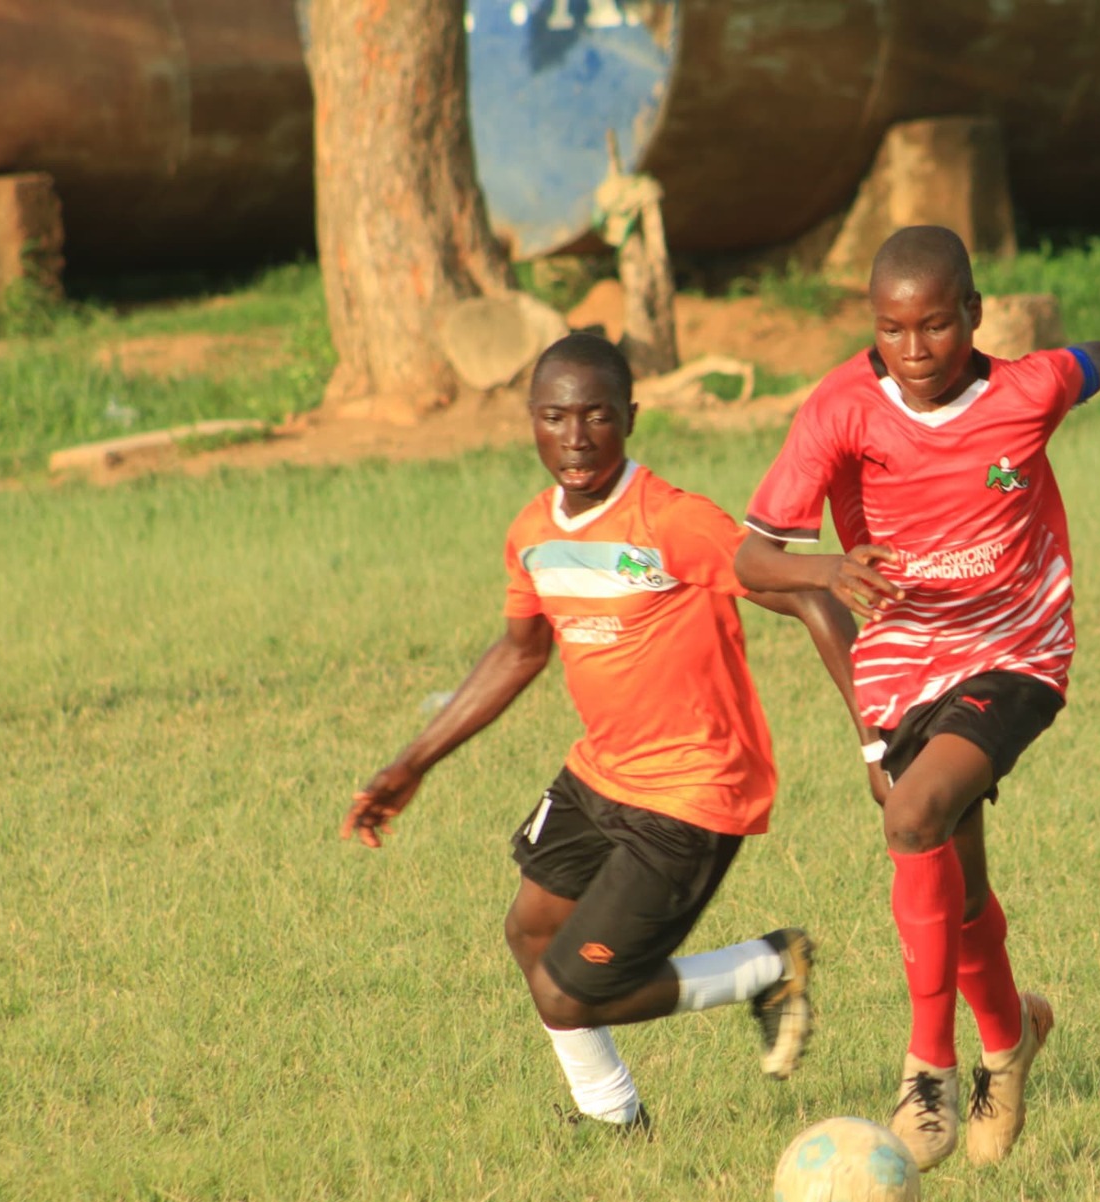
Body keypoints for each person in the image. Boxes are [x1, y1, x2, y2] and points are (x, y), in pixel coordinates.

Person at [733, 226, 1100, 1171]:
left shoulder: (1029, 389)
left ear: (975, 314)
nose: (915, 348)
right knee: (958, 882)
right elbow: (753, 556)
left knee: (914, 814)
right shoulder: (842, 408)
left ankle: (927, 1072)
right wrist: (828, 568)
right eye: (892, 329)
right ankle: (1011, 1039)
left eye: (937, 325)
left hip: (1017, 650)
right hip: (902, 665)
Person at [341, 332, 866, 1136]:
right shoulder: (532, 532)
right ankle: (615, 1119)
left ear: (630, 417)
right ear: (531, 420)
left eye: (595, 415)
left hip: (693, 787)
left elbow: (805, 591)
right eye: (554, 417)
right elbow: (519, 651)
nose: (575, 437)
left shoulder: (671, 520)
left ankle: (765, 967)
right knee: (531, 932)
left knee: (569, 991)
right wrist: (411, 763)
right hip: (601, 774)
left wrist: (877, 738)